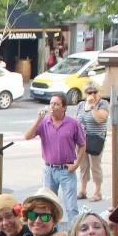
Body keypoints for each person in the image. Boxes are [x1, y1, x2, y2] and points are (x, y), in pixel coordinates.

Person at [24, 93, 85, 225]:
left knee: (71, 206)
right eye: (51, 103)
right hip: (49, 169)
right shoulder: (44, 122)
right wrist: (38, 120)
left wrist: (76, 164)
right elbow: (27, 136)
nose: (53, 106)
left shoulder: (73, 123)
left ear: (64, 107)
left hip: (66, 170)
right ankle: (51, 231)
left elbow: (82, 145)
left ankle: (73, 232)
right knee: (47, 205)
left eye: (56, 104)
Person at [75, 83, 109, 201]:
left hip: (95, 139)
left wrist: (93, 106)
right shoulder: (81, 105)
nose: (92, 94)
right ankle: (83, 190)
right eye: (89, 92)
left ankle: (97, 192)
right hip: (81, 140)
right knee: (83, 165)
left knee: (95, 166)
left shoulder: (103, 104)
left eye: (95, 92)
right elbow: (76, 120)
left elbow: (100, 119)